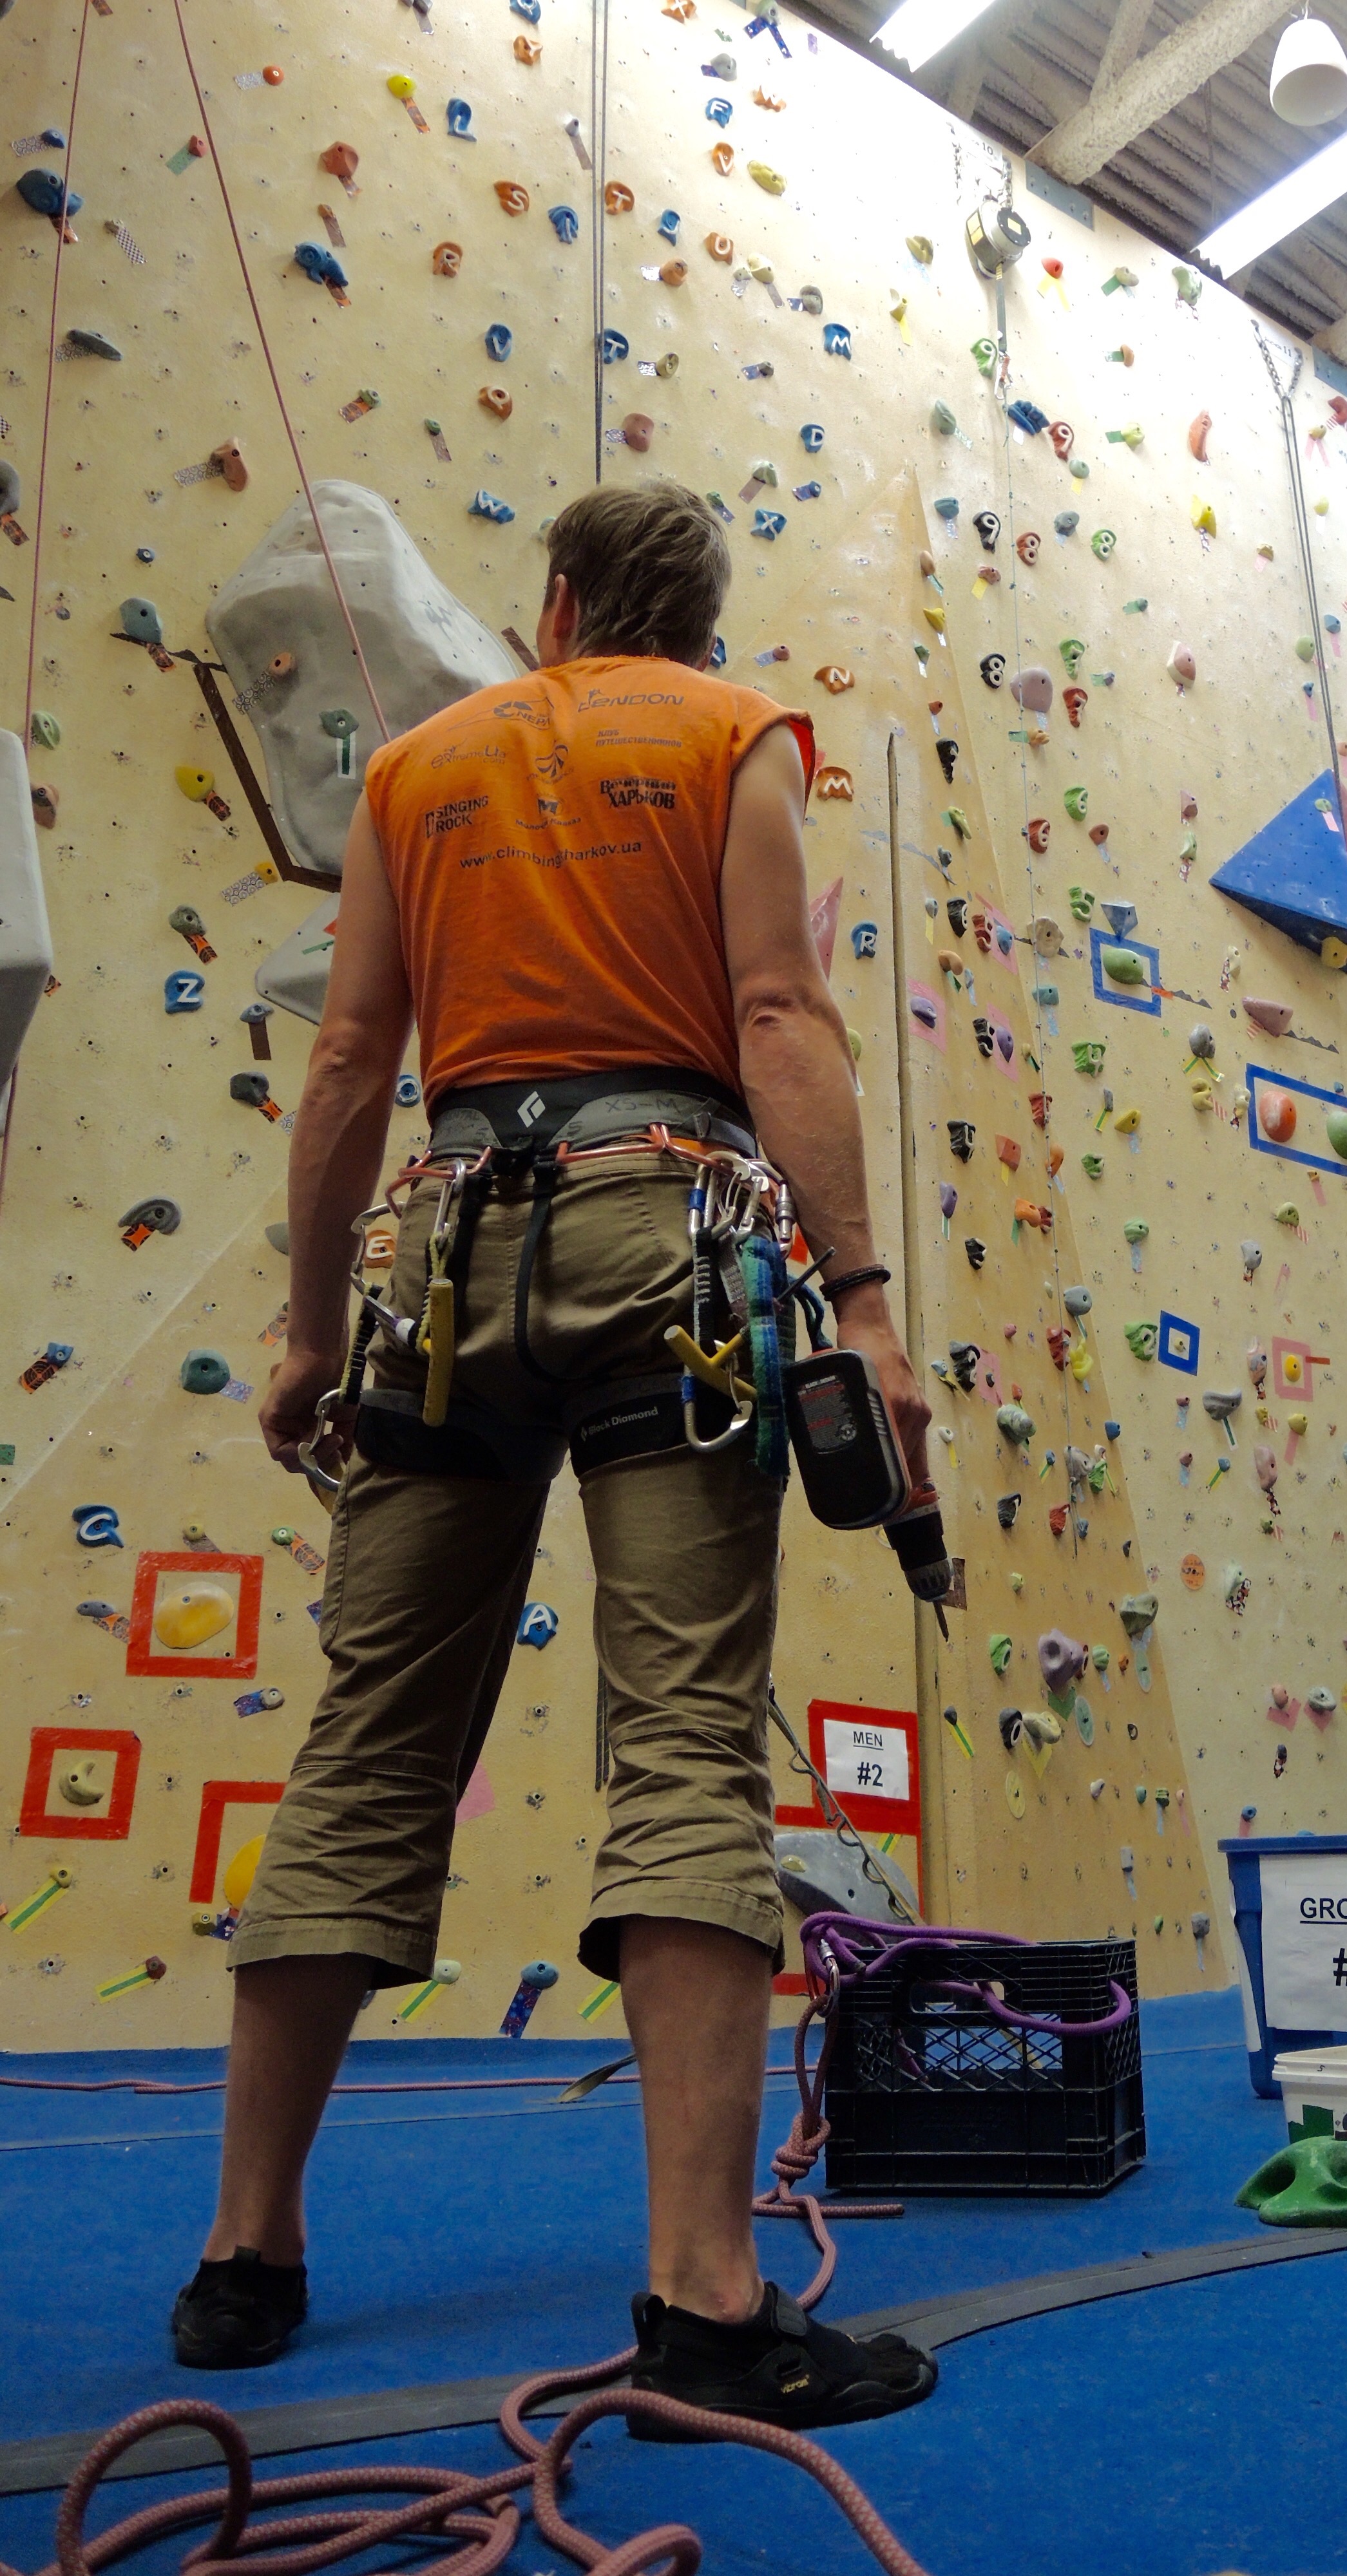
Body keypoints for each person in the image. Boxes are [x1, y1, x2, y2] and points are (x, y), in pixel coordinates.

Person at [170, 478, 941, 2437]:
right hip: (664, 1234)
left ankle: (245, 2255)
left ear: (560, 598)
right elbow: (775, 1011)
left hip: (441, 1258)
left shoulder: (421, 763)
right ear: (692, 622)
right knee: (683, 1729)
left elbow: (348, 1063)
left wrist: (309, 1336)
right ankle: (702, 2294)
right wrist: (859, 1300)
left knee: (366, 1737)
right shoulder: (729, 736)